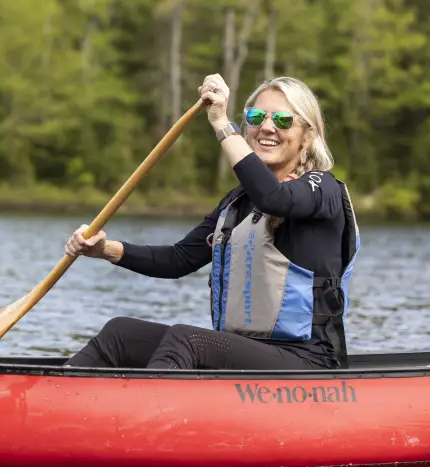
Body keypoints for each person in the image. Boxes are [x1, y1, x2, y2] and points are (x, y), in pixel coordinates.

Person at [62, 74, 360, 371]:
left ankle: (147, 410)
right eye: (256, 117)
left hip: (308, 361)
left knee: (187, 340)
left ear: (307, 136)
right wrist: (104, 249)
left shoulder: (323, 189)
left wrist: (220, 122)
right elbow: (177, 260)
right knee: (120, 333)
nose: (266, 127)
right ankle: (58, 396)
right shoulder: (237, 203)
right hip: (245, 353)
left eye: (282, 120)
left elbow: (276, 199)